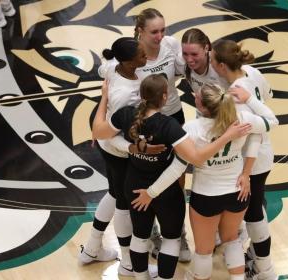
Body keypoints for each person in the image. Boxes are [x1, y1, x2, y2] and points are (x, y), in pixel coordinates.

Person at [92, 73, 252, 280]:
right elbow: (192, 159)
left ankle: (140, 278)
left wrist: (132, 146)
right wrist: (229, 139)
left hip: (134, 186)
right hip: (166, 191)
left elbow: (102, 135)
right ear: (165, 97)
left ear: (141, 94)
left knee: (139, 236)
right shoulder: (171, 126)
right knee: (171, 239)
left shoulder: (125, 115)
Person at [132, 82, 278, 280]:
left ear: (201, 106)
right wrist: (250, 99)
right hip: (237, 191)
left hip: (206, 197)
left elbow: (177, 168)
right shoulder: (241, 119)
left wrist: (151, 193)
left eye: (196, 95)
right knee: (232, 240)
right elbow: (271, 121)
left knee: (204, 250)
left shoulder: (191, 129)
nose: (193, 94)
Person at [78, 37, 162, 277]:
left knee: (115, 194)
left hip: (108, 146)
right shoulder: (123, 95)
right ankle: (128, 263)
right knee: (124, 204)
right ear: (127, 62)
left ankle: (92, 248)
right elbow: (113, 131)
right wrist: (131, 149)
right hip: (118, 149)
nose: (146, 57)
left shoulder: (114, 66)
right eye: (141, 55)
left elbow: (102, 67)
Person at [211, 39, 278, 280]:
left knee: (253, 214)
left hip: (252, 160)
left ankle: (266, 270)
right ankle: (258, 260)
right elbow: (268, 95)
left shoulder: (236, 96)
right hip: (264, 157)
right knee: (256, 206)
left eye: (212, 60)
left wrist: (246, 173)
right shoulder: (252, 71)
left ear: (220, 65)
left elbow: (255, 134)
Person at [133, 7, 191, 261]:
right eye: (154, 32)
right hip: (143, 121)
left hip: (173, 115)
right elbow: (110, 73)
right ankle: (152, 231)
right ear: (140, 31)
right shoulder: (131, 54)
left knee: (179, 174)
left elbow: (182, 71)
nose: (160, 36)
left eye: (162, 30)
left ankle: (178, 232)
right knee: (144, 173)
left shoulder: (171, 44)